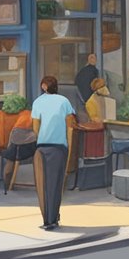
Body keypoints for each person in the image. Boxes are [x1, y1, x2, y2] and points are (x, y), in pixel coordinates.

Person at [31, 75, 75, 231]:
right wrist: (68, 146)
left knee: (42, 185)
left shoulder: (37, 102)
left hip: (42, 147)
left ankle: (47, 219)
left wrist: (43, 135)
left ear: (43, 86)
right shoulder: (64, 102)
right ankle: (53, 218)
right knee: (56, 184)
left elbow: (35, 127)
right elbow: (70, 126)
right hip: (59, 147)